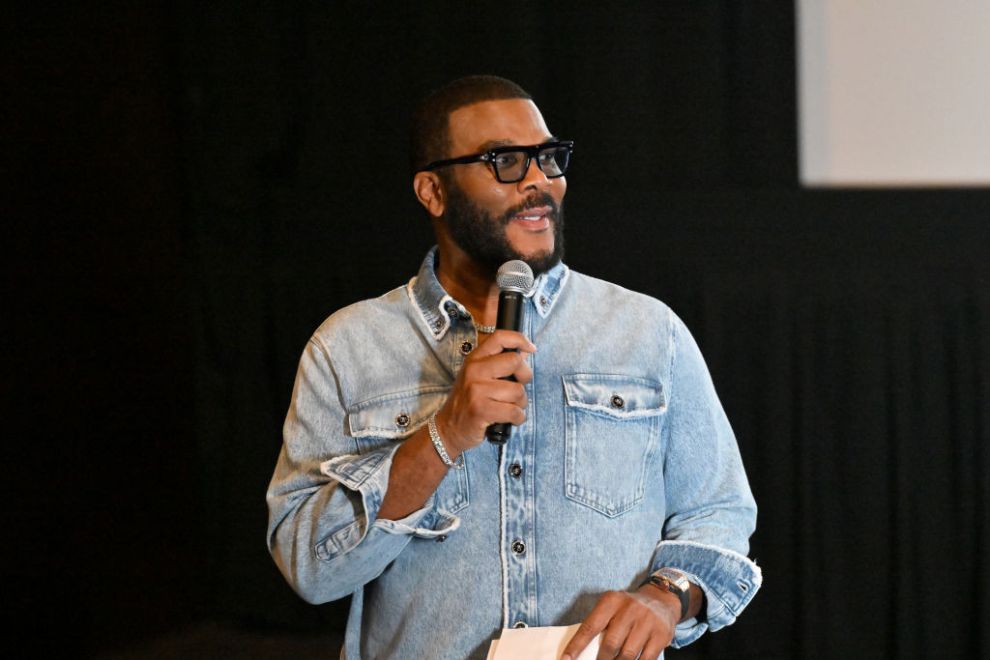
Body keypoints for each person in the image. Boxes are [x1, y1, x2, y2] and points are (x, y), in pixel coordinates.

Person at [267, 75, 761, 659]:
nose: (538, 182)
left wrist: (669, 593)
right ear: (432, 191)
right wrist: (445, 433)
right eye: (504, 160)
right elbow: (308, 566)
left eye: (549, 159)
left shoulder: (647, 334)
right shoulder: (348, 348)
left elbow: (719, 514)